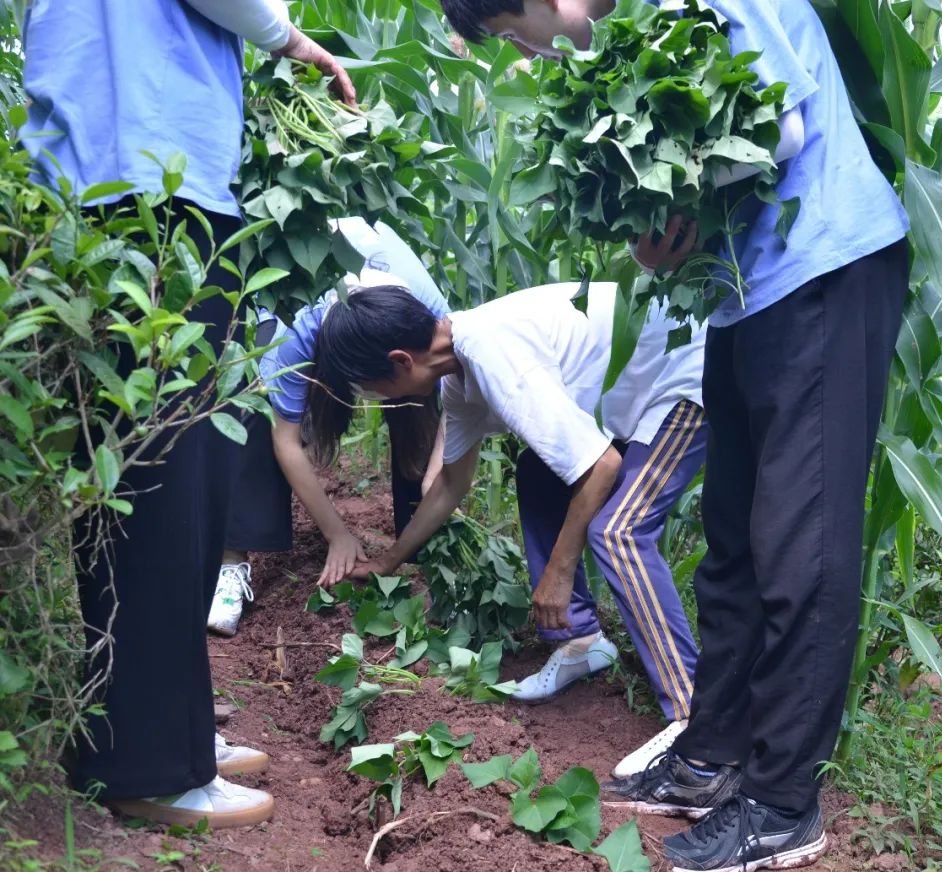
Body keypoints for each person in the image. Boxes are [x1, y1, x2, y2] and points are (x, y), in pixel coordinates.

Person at [438, 0, 911, 869]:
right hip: (745, 295)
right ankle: (711, 756)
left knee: (800, 548)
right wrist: (659, 241)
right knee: (733, 547)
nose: (528, 54)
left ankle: (780, 807)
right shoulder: (634, 31)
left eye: (512, 35)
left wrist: (663, 206)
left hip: (824, 269)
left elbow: (783, 126)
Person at [21, 0, 356, 828]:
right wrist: (289, 38)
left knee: (147, 484)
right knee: (167, 491)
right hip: (154, 183)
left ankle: (156, 731)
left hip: (92, 182)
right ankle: (150, 764)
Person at [312, 281, 708, 779]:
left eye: (370, 388)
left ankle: (694, 717)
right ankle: (582, 643)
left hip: (684, 371)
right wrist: (388, 561)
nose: (373, 399)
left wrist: (559, 572)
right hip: (643, 385)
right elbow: (453, 482)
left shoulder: (493, 352)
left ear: (400, 360)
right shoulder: (459, 372)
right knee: (539, 470)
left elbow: (601, 468)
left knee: (619, 531)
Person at [208, 217, 450, 636]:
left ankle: (423, 550)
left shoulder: (431, 316)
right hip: (300, 289)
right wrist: (336, 533)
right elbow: (285, 440)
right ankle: (231, 563)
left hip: (385, 294)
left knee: (420, 400)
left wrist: (437, 475)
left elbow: (464, 391)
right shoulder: (297, 328)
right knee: (250, 401)